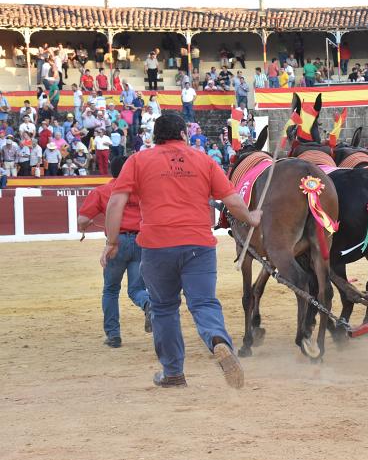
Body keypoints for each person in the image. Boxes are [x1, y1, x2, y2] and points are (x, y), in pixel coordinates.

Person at [102, 112, 262, 389]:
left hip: (156, 246)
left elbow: (116, 202)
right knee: (204, 303)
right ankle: (219, 340)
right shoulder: (204, 160)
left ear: (155, 137)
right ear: (184, 135)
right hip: (198, 245)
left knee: (164, 309)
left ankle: (174, 373)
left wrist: (112, 241)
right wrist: (252, 218)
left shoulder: (138, 160)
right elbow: (232, 201)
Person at [78, 156, 151, 348]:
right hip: (142, 241)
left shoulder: (103, 191)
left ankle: (113, 336)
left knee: (111, 289)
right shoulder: (144, 190)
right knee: (137, 289)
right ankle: (147, 304)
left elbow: (82, 221)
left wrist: (89, 224)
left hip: (116, 242)